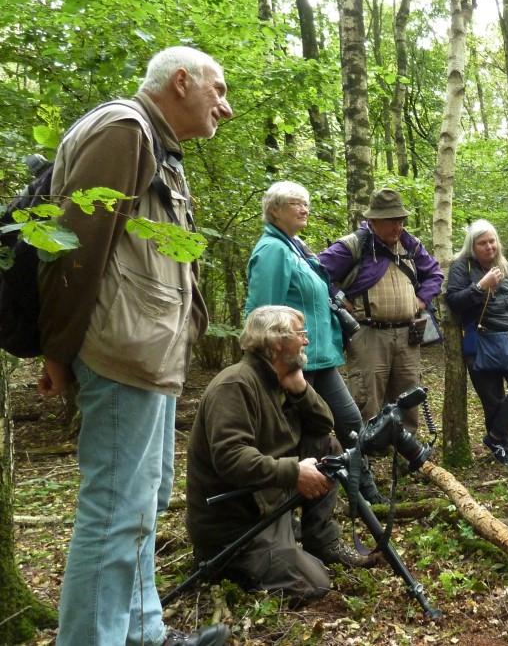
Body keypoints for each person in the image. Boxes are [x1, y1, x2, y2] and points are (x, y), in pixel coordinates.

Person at [36, 47, 232, 646]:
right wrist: (58, 350)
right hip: (119, 350)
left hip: (149, 354)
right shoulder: (124, 130)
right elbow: (74, 249)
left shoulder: (158, 146)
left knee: (143, 503)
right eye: (219, 90)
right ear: (181, 82)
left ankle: (143, 632)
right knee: (116, 511)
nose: (225, 107)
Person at [186, 306, 348, 601]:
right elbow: (231, 458)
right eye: (300, 334)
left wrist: (300, 389)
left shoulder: (278, 380)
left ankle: (317, 540)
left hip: (266, 502)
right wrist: (295, 473)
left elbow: (323, 427)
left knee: (328, 448)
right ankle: (228, 564)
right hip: (234, 526)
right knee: (314, 585)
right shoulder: (235, 384)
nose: (306, 340)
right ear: (276, 342)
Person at [244, 181, 385, 504]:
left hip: (319, 359)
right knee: (299, 436)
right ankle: (295, 505)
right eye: (296, 203)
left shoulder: (296, 248)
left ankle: (364, 493)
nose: (304, 208)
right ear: (274, 210)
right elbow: (263, 313)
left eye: (306, 202)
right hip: (290, 362)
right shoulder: (272, 251)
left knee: (350, 421)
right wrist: (272, 364)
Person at [319, 188, 443, 431]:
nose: (398, 227)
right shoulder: (354, 245)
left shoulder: (410, 245)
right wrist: (339, 298)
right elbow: (317, 271)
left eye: (400, 220)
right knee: (368, 399)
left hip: (408, 335)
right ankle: (368, 450)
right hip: (368, 334)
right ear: (374, 221)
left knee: (409, 397)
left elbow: (434, 274)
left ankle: (407, 448)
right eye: (391, 221)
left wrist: (421, 300)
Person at [445, 220, 508, 469]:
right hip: (481, 340)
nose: (489, 247)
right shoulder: (461, 266)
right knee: (493, 400)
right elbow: (454, 301)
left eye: (492, 241)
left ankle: (494, 436)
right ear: (472, 246)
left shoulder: (504, 265)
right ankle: (505, 449)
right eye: (482, 243)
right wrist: (481, 286)